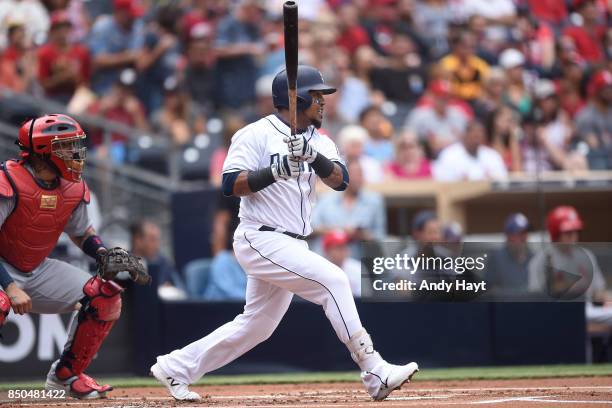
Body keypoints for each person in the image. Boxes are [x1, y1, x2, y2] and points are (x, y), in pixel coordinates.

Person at [151, 65, 418, 401]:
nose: (322, 103)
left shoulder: (320, 140)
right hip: (259, 236)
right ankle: (374, 368)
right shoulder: (255, 134)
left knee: (256, 326)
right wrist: (274, 171)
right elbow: (229, 184)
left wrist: (313, 157)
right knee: (333, 281)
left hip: (292, 240)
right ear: (298, 97)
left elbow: (341, 180)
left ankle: (176, 367)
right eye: (317, 96)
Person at [0, 114, 148, 399]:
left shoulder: (74, 185)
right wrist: (10, 286)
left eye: (74, 145)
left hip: (36, 269)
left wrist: (103, 253)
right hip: (4, 271)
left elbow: (82, 233)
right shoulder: (8, 180)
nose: (75, 153)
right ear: (43, 151)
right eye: (65, 146)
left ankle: (66, 378)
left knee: (105, 296)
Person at [528, 206, 612, 327]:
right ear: (555, 235)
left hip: (586, 313)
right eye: (568, 233)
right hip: (554, 317)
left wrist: (606, 299)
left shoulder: (586, 256)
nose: (574, 237)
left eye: (575, 232)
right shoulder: (540, 261)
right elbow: (534, 301)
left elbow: (598, 291)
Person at [312, 159, 387, 258]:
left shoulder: (374, 201)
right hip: (328, 257)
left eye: (360, 174)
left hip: (359, 258)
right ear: (345, 175)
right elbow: (312, 227)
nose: (358, 178)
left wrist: (362, 235)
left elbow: (380, 236)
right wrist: (340, 231)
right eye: (354, 174)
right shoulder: (326, 199)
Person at [432, 119, 508, 181]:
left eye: (480, 135)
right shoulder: (449, 155)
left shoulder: (492, 156)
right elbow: (441, 180)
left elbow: (502, 179)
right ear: (465, 135)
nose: (477, 138)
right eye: (474, 135)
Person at [130, 220, 186, 300]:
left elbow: (182, 292)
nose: (157, 245)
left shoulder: (164, 263)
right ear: (137, 240)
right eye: (152, 239)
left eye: (158, 240)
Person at [486, 213, 533, 295]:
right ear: (509, 236)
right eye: (519, 233)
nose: (523, 237)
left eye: (525, 233)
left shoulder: (534, 258)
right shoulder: (496, 259)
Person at [322, 230, 362, 298]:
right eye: (338, 247)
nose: (343, 251)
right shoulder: (319, 269)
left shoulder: (357, 267)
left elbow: (363, 298)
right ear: (327, 251)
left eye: (344, 246)